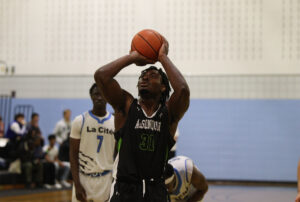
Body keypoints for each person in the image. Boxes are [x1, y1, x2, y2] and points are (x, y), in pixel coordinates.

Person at [94, 36, 190, 202]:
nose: (144, 78)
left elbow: (182, 90)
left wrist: (163, 58)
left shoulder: (169, 112)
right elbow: (101, 76)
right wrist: (132, 57)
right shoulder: (126, 106)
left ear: (163, 87)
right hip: (125, 189)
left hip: (156, 190)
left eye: (152, 76)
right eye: (142, 76)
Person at [70, 83, 115, 202]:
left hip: (106, 179)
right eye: (96, 94)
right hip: (83, 177)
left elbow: (117, 155)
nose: (99, 97)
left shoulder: (115, 122)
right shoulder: (79, 121)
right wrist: (77, 184)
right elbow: (73, 155)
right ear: (91, 96)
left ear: (107, 97)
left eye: (102, 94)